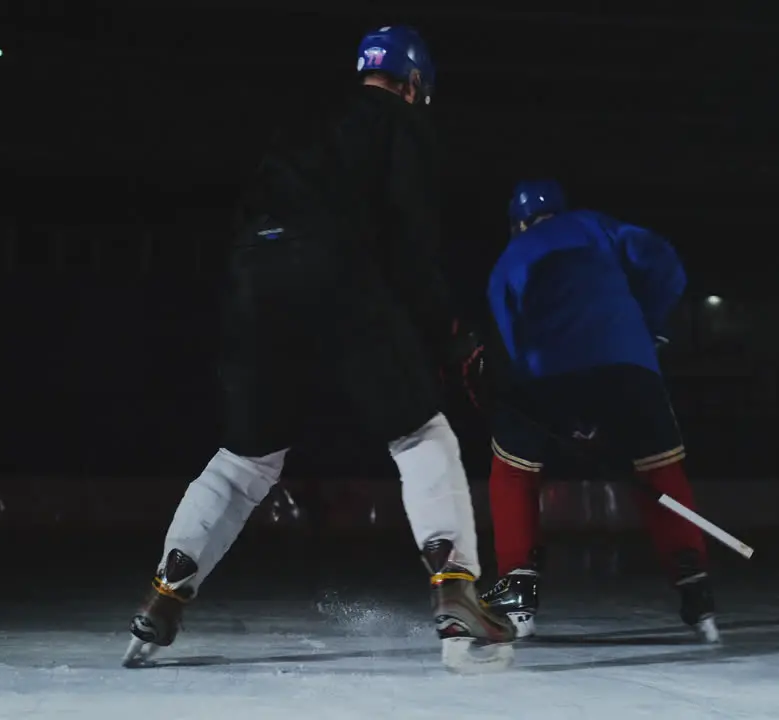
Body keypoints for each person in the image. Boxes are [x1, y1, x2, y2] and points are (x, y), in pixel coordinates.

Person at [123, 25, 516, 672]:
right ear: (414, 84)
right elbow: (410, 243)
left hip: (254, 272)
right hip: (332, 266)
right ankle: (456, 594)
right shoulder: (402, 123)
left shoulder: (305, 124)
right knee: (422, 435)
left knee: (246, 459)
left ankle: (165, 594)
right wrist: (451, 334)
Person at [476, 179, 719, 642]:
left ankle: (519, 587)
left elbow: (504, 332)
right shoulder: (596, 226)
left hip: (548, 372)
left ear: (517, 223)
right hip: (629, 363)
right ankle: (695, 583)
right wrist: (650, 327)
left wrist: (518, 395)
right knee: (660, 469)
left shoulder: (510, 256)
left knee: (513, 468)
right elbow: (664, 261)